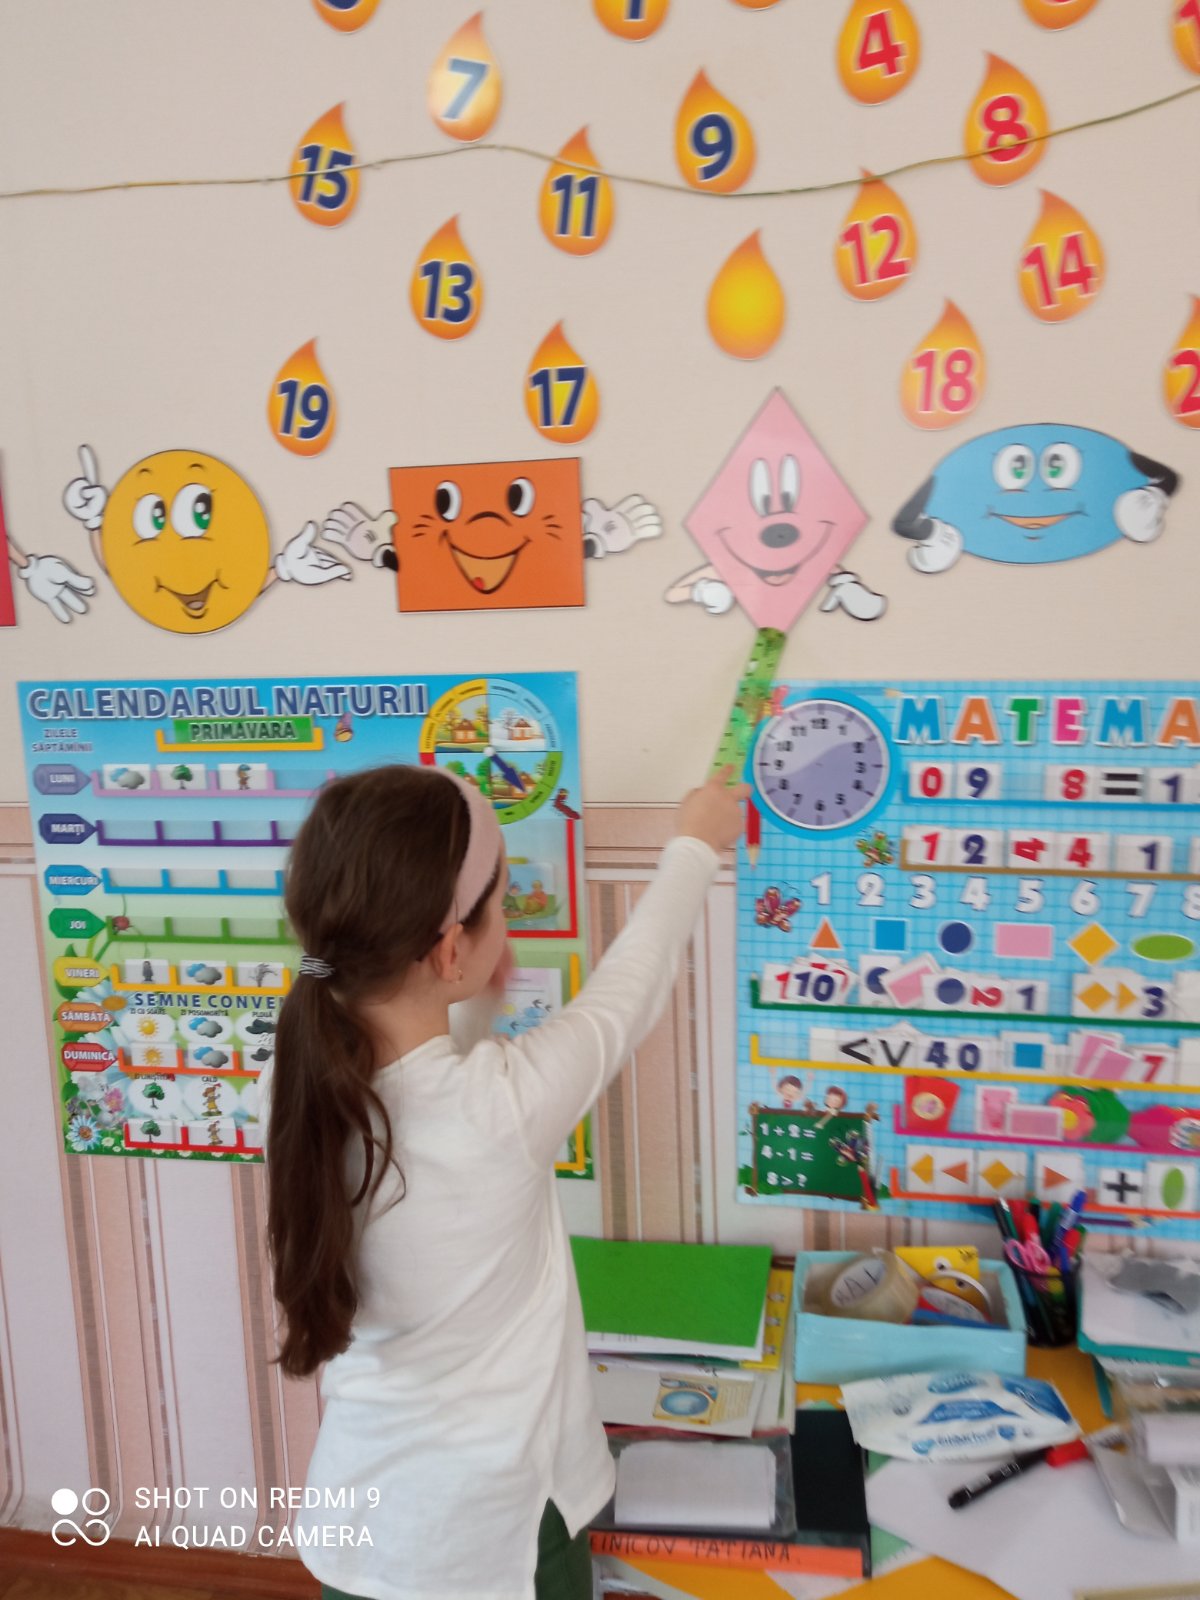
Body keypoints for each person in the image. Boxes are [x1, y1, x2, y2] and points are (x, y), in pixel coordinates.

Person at [259, 761, 747, 1600]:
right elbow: (626, 996)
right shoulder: (499, 1108)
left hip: (361, 1530)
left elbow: (414, 1048)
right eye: (503, 904)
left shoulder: (291, 1081)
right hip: (503, 1536)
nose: (510, 921)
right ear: (450, 949)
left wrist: (472, 986)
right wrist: (695, 843)